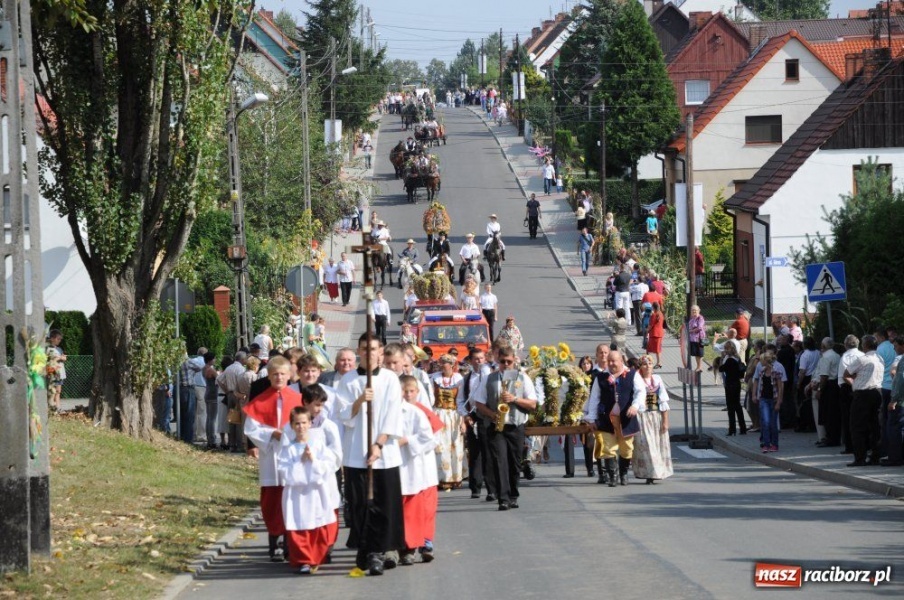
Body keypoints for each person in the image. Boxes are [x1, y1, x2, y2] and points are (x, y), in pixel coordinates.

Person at [336, 334, 405, 576]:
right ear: (358, 350)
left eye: (374, 349)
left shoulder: (390, 380)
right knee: (359, 504)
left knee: (382, 504)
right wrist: (359, 400)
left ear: (381, 351)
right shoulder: (347, 381)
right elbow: (343, 414)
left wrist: (379, 444)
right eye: (364, 348)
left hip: (383, 454)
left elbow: (394, 415)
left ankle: (378, 550)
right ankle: (363, 547)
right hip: (356, 452)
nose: (369, 353)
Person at [242, 356, 303, 561]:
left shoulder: (297, 399)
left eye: (282, 374)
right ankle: (274, 541)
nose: (278, 377)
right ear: (268, 376)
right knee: (271, 500)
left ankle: (288, 541)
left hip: (291, 457)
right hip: (270, 457)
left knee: (291, 499)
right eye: (274, 374)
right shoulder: (260, 400)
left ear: (289, 376)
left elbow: (305, 425)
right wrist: (271, 434)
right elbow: (251, 428)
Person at [473, 344, 540, 510]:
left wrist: (514, 399)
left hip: (516, 425)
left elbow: (532, 403)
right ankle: (502, 498)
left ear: (514, 361)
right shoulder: (490, 378)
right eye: (502, 361)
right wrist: (491, 414)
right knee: (499, 460)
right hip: (497, 427)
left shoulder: (523, 378)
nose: (506, 364)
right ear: (497, 361)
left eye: (509, 361)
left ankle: (513, 495)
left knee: (514, 462)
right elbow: (479, 402)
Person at [277, 406, 340, 575]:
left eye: (304, 423)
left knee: (318, 525)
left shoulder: (319, 446)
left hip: (315, 493)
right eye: (297, 423)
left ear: (310, 424)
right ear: (291, 425)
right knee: (299, 526)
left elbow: (328, 467)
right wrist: (301, 461)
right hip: (296, 495)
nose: (301, 427)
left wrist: (313, 461)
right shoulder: (288, 449)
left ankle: (316, 557)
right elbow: (285, 473)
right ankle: (305, 560)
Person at [398, 375, 441, 565]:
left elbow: (435, 438)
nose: (407, 395)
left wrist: (410, 442)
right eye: (404, 392)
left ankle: (426, 541)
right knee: (408, 509)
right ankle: (408, 544)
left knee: (426, 508)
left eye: (411, 391)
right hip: (404, 466)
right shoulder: (394, 411)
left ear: (417, 392)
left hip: (424, 465)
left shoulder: (423, 412)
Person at [584, 350, 639, 487]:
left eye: (614, 361)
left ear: (621, 361)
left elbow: (640, 392)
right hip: (606, 419)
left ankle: (624, 473)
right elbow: (594, 398)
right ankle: (612, 476)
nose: (611, 364)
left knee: (626, 448)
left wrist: (635, 406)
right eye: (609, 361)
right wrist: (591, 418)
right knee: (608, 447)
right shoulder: (601, 377)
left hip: (626, 419)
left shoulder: (632, 375)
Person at [632, 355, 673, 484]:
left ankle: (657, 472)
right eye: (644, 364)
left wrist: (665, 421)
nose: (647, 366)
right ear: (640, 367)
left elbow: (663, 401)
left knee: (657, 446)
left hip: (656, 416)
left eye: (649, 363)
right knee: (647, 446)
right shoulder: (637, 380)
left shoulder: (657, 379)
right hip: (643, 417)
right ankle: (649, 473)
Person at [843, 335, 883, 467]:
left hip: (862, 393)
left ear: (865, 346)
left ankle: (860, 458)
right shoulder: (880, 359)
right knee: (875, 426)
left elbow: (846, 374)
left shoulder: (862, 359)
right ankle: (875, 456)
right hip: (878, 391)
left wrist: (855, 383)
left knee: (857, 426)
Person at [461, 348, 496, 499]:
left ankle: (491, 489)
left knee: (488, 453)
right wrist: (465, 416)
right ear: (470, 361)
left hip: (487, 415)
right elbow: (460, 401)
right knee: (474, 453)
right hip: (472, 415)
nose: (479, 361)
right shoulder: (466, 378)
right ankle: (475, 487)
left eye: (481, 358)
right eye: (476, 359)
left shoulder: (489, 374)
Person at [430, 354, 465, 489]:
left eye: (445, 363)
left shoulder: (458, 379)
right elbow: (431, 398)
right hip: (439, 413)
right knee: (440, 446)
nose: (442, 365)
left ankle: (455, 477)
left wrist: (462, 421)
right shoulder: (435, 378)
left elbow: (460, 401)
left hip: (454, 415)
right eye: (441, 362)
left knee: (454, 446)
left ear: (451, 365)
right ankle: (442, 478)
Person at [809, 337, 841, 447]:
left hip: (828, 385)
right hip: (835, 384)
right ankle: (835, 437)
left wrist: (819, 389)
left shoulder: (825, 357)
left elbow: (824, 376)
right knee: (833, 413)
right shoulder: (837, 355)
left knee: (827, 413)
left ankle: (830, 438)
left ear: (823, 346)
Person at [752, 351, 785, 453]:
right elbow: (757, 382)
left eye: (762, 360)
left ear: (767, 361)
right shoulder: (762, 371)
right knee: (765, 422)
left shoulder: (776, 372)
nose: (760, 362)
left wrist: (779, 401)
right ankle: (766, 444)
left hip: (774, 400)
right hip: (763, 399)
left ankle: (774, 444)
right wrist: (755, 395)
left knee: (773, 424)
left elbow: (780, 387)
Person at [837, 334, 863, 454]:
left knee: (847, 418)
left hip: (847, 388)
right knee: (861, 417)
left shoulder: (845, 357)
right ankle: (863, 444)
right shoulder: (862, 355)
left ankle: (850, 446)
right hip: (862, 387)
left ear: (846, 345)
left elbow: (845, 376)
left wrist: (854, 385)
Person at [719, 342, 747, 436]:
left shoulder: (729, 360)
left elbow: (721, 369)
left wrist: (722, 358)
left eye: (726, 348)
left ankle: (732, 429)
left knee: (731, 407)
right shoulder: (737, 358)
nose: (725, 350)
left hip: (730, 384)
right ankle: (742, 428)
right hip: (737, 383)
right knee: (738, 406)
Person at [45, 329, 67, 413]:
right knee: (52, 392)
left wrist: (62, 358)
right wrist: (59, 358)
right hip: (53, 373)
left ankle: (58, 408)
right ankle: (51, 408)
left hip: (60, 373)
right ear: (52, 338)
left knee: (58, 391)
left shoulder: (59, 349)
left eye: (60, 339)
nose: (59, 341)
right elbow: (49, 360)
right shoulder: (48, 349)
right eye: (58, 339)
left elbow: (63, 357)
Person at [688, 304, 706, 372]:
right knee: (696, 353)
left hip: (699, 339)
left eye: (695, 310)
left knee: (700, 353)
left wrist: (691, 331)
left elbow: (700, 328)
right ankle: (698, 366)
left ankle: (699, 367)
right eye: (692, 310)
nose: (694, 312)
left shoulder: (700, 318)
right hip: (692, 339)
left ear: (699, 310)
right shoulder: (692, 318)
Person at [646, 303, 664, 368]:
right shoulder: (661, 314)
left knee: (650, 348)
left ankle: (651, 362)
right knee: (657, 349)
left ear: (653, 307)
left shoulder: (654, 315)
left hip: (654, 333)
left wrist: (647, 330)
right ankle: (658, 362)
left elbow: (651, 325)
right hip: (659, 333)